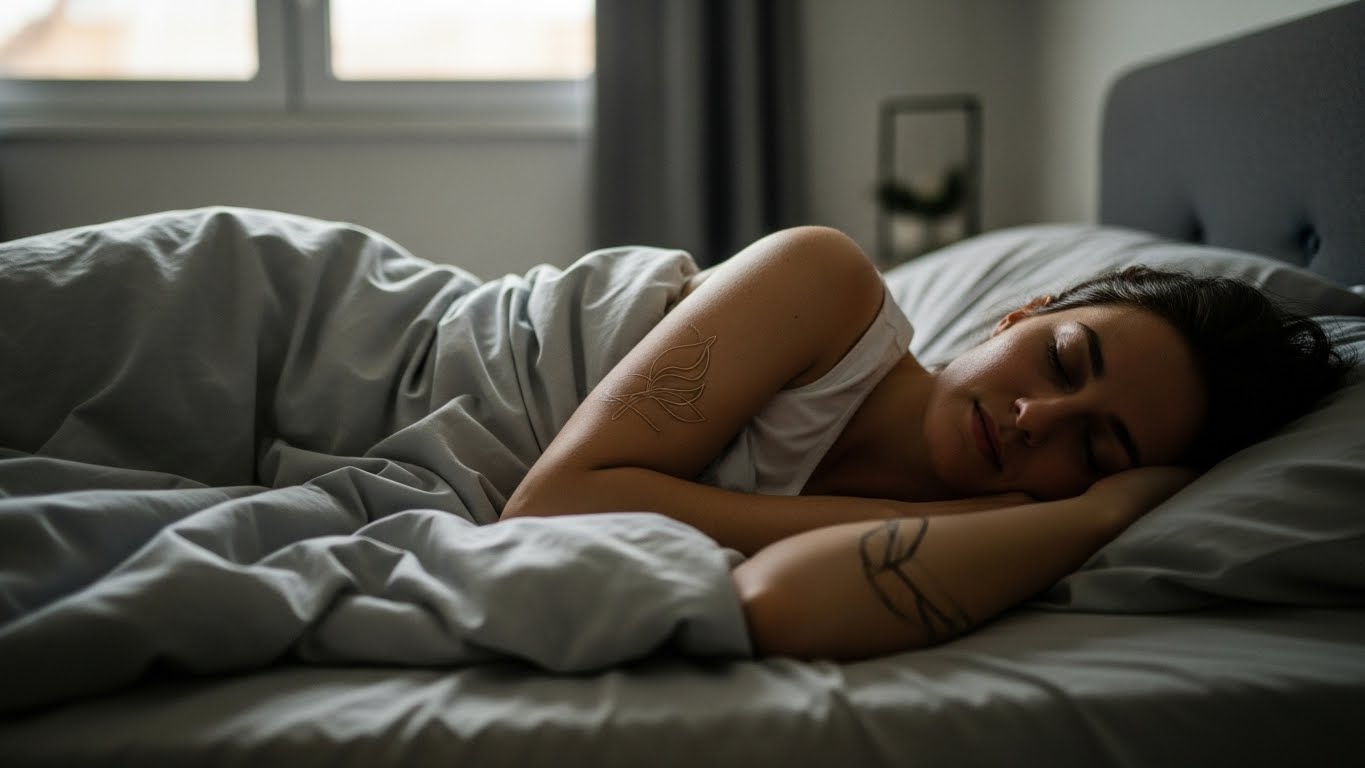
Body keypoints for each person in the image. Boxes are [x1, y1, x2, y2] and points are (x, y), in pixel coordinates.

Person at [501, 225, 1349, 660]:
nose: (1035, 420)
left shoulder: (999, 542)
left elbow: (779, 601)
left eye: (1097, 449)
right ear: (1025, 311)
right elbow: (550, 507)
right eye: (1059, 360)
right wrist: (904, 511)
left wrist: (1096, 520)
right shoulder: (822, 281)